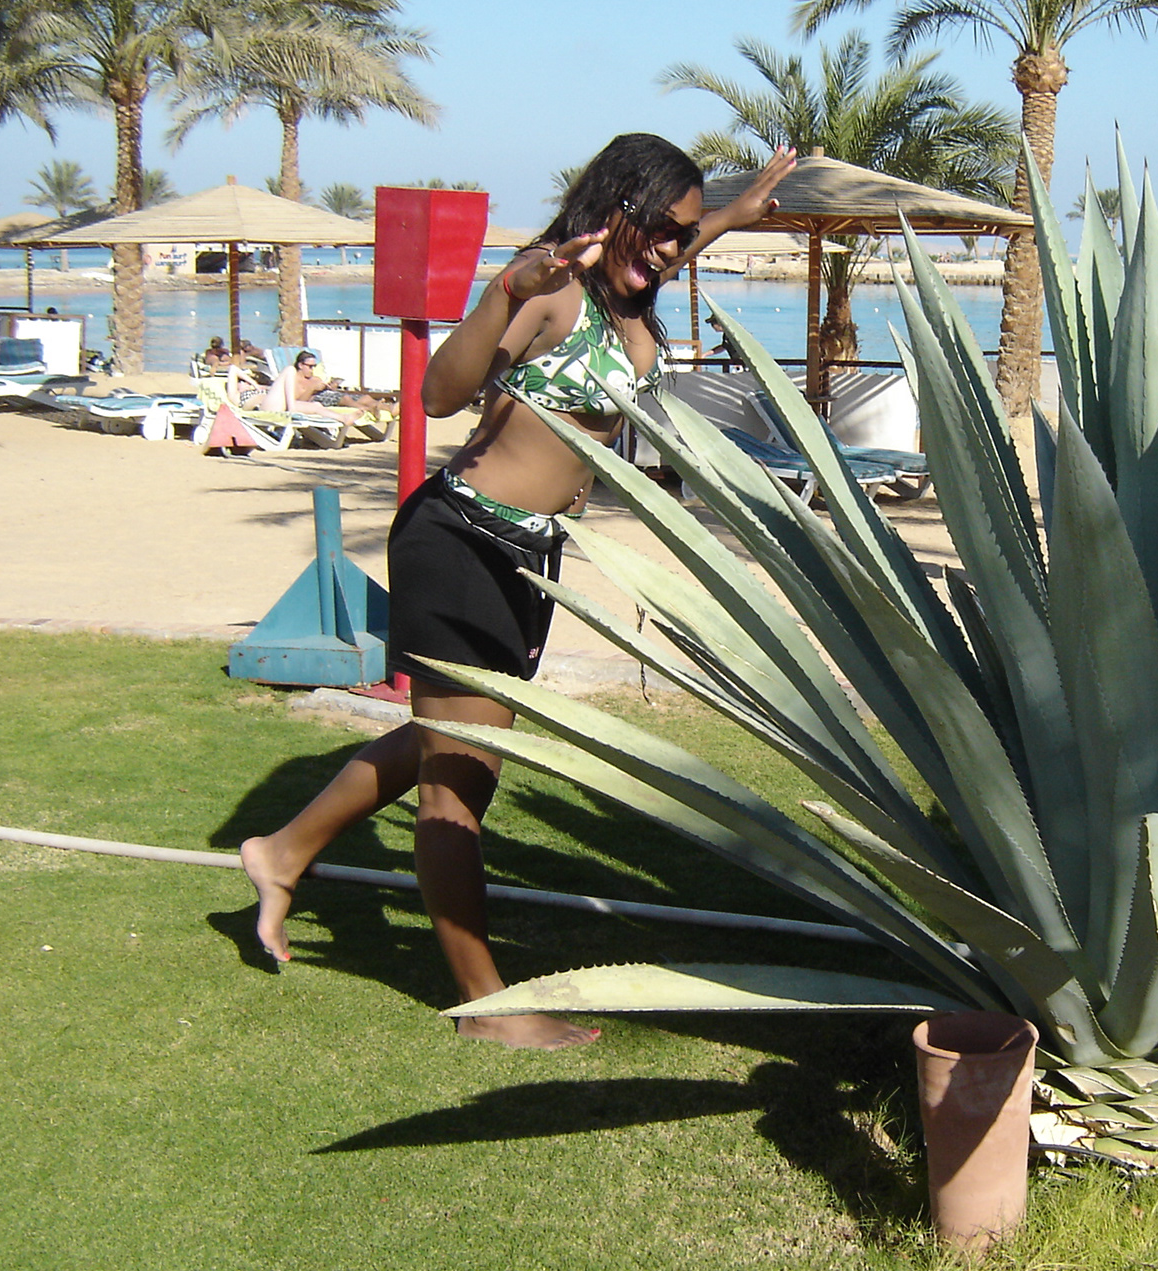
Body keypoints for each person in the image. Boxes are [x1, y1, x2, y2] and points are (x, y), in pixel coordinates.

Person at [241, 134, 795, 1049]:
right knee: (461, 780)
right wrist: (503, 290)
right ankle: (486, 1007)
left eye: (682, 233)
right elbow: (438, 394)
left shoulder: (626, 290)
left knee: (444, 739)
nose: (672, 247)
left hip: (529, 555)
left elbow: (664, 254)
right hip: (462, 542)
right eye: (662, 228)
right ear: (617, 209)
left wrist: (733, 216)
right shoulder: (553, 291)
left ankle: (283, 851)